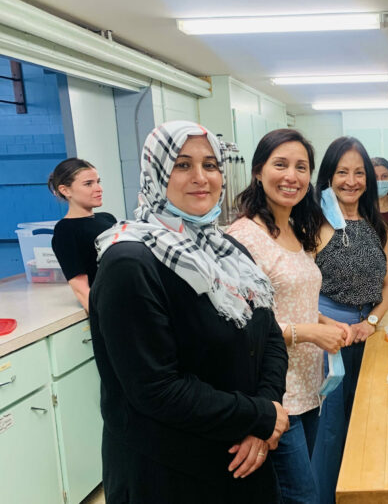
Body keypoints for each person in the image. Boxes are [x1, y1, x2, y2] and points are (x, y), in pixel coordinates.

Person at [89, 121, 289, 503]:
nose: (201, 178)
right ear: (155, 173)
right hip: (171, 475)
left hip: (244, 460)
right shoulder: (129, 262)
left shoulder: (226, 252)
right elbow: (157, 389)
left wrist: (266, 417)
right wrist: (259, 417)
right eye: (182, 165)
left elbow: (269, 336)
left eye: (211, 165)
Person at [227, 128, 352, 504]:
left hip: (308, 387)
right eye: (280, 164)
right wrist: (311, 333)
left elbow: (284, 297)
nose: (292, 176)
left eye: (301, 167)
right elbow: (242, 324)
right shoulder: (243, 236)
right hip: (275, 393)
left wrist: (323, 321)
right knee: (303, 497)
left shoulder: (294, 229)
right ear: (258, 171)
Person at [312, 137, 388, 504]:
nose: (351, 180)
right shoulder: (313, 223)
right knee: (329, 430)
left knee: (370, 423)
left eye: (358, 173)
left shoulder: (377, 224)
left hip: (369, 337)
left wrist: (372, 322)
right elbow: (296, 291)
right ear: (328, 176)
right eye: (341, 172)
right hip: (329, 340)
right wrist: (326, 325)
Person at [48, 158, 116, 310]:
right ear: (65, 190)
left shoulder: (107, 218)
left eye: (98, 181)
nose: (99, 189)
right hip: (110, 308)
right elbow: (82, 290)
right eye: (88, 184)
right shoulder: (65, 231)